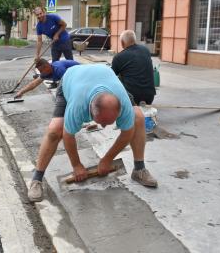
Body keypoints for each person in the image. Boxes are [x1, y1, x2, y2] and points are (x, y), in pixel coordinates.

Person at [28, 64, 158, 202]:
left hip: (106, 78)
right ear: (89, 111)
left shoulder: (123, 102)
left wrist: (107, 159)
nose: (102, 126)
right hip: (71, 79)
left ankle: (139, 169)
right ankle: (37, 179)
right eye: (101, 122)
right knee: (55, 130)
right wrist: (76, 165)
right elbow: (68, 134)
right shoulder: (78, 105)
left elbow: (127, 133)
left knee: (138, 117)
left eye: (108, 123)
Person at [111, 30, 156, 105]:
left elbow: (111, 75)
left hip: (132, 97)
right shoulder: (145, 50)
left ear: (122, 43)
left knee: (116, 78)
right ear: (134, 40)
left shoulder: (119, 57)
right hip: (149, 96)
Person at [34, 6, 73, 88]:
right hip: (55, 43)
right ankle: (55, 82)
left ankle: (73, 80)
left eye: (40, 13)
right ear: (36, 16)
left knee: (70, 61)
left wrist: (57, 34)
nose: (39, 16)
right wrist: (37, 55)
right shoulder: (39, 26)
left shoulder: (53, 17)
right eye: (37, 15)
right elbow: (39, 41)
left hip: (65, 40)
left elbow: (64, 25)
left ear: (44, 12)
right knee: (54, 63)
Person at [15, 59, 79, 99]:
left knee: (61, 93)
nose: (41, 73)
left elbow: (68, 84)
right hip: (70, 76)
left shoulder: (59, 69)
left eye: (41, 70)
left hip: (79, 73)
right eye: (40, 71)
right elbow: (34, 84)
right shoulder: (46, 71)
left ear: (47, 66)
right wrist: (21, 92)